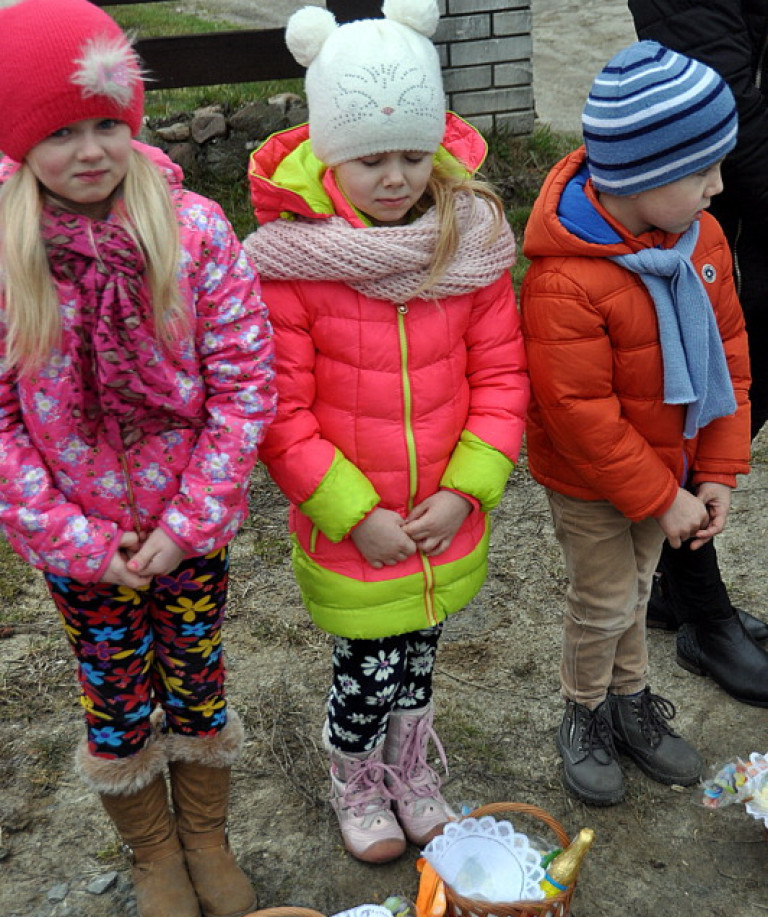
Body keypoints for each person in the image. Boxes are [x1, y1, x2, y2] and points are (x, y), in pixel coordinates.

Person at [0, 0, 276, 917]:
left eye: (107, 125)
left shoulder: (195, 232)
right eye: (60, 131)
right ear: (17, 141)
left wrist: (188, 523)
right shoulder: (7, 258)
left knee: (196, 677)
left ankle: (206, 836)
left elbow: (244, 385)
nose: (89, 150)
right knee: (115, 691)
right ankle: (152, 846)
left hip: (184, 529)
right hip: (83, 546)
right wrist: (75, 541)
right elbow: (0, 421)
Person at [244, 0, 529, 862]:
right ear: (331, 152)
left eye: (414, 153)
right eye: (372, 159)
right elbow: (279, 411)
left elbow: (501, 377)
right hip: (357, 522)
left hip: (441, 514)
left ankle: (412, 770)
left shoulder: (467, 246)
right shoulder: (294, 266)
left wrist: (465, 490)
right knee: (367, 664)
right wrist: (348, 510)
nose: (398, 177)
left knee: (419, 655)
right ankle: (356, 777)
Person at [520, 41, 752, 805]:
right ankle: (583, 713)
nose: (718, 188)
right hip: (593, 482)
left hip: (672, 467)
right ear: (642, 176)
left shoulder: (699, 240)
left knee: (639, 585)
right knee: (607, 599)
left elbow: (728, 356)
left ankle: (631, 704)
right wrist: (663, 496)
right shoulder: (567, 279)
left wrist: (714, 470)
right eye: (702, 172)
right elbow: (580, 415)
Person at [627, 0, 768, 707]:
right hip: (747, 210)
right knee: (698, 395)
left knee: (735, 388)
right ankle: (697, 606)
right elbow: (716, 82)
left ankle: (677, 586)